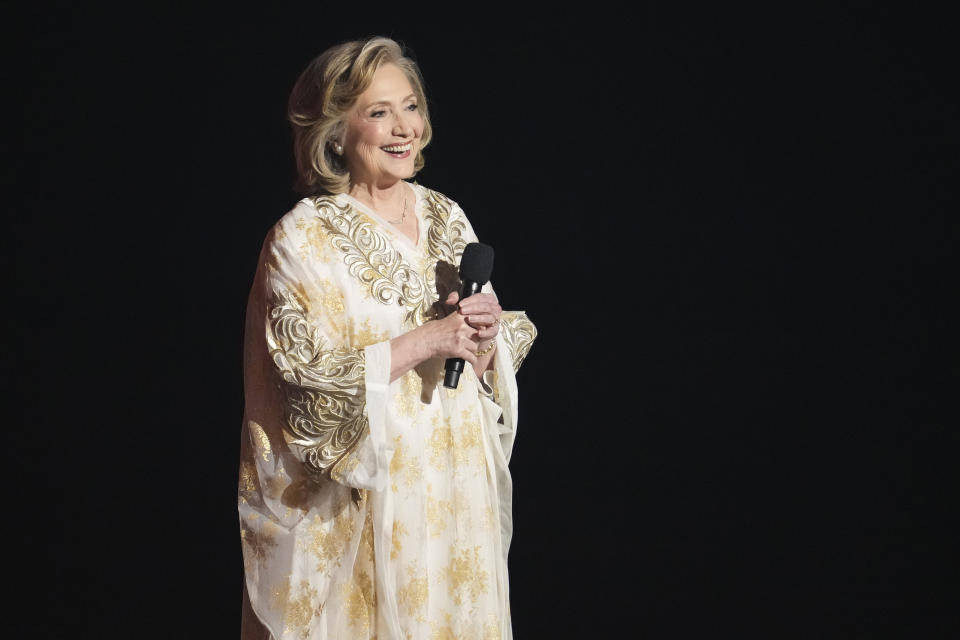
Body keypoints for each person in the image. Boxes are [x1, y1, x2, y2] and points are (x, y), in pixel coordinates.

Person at [238, 36, 536, 640]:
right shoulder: (303, 240)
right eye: (378, 112)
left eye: (411, 107)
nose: (404, 127)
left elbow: (477, 378)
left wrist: (481, 338)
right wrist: (427, 339)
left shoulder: (450, 218)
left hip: (455, 491)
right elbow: (308, 386)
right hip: (371, 502)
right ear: (335, 129)